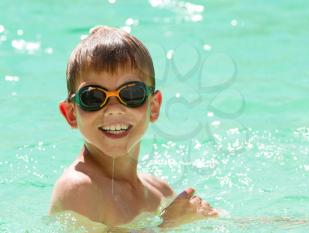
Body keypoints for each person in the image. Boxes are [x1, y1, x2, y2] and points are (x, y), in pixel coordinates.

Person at [49, 26, 218, 232]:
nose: (113, 110)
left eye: (131, 94)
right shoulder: (78, 188)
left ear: (154, 107)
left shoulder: (158, 191)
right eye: (93, 97)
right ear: (71, 114)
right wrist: (168, 225)